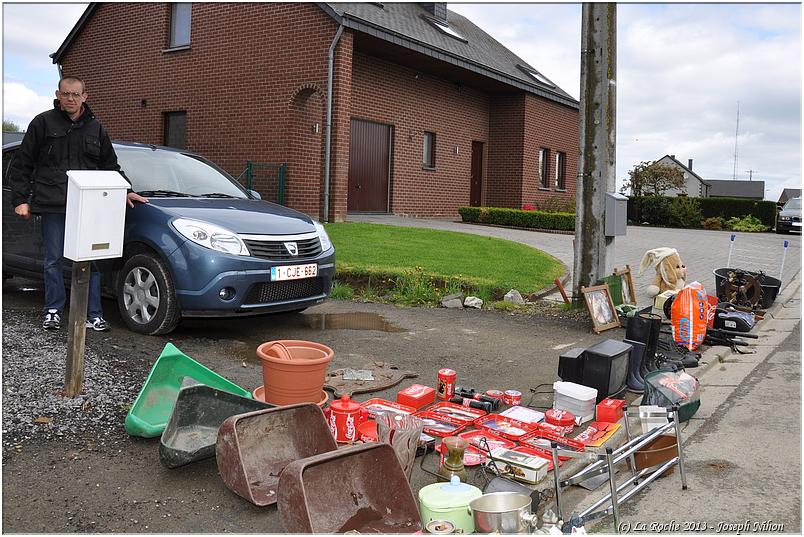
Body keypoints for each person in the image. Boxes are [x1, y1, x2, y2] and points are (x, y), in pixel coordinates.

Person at [8, 76, 148, 331]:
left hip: (88, 207)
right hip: (53, 204)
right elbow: (22, 164)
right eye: (65, 94)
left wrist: (126, 190)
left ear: (85, 96)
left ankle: (92, 314)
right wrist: (20, 199)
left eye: (75, 94)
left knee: (90, 261)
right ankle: (52, 310)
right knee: (53, 260)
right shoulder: (42, 123)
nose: (70, 99)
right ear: (58, 95)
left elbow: (109, 166)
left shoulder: (96, 129)